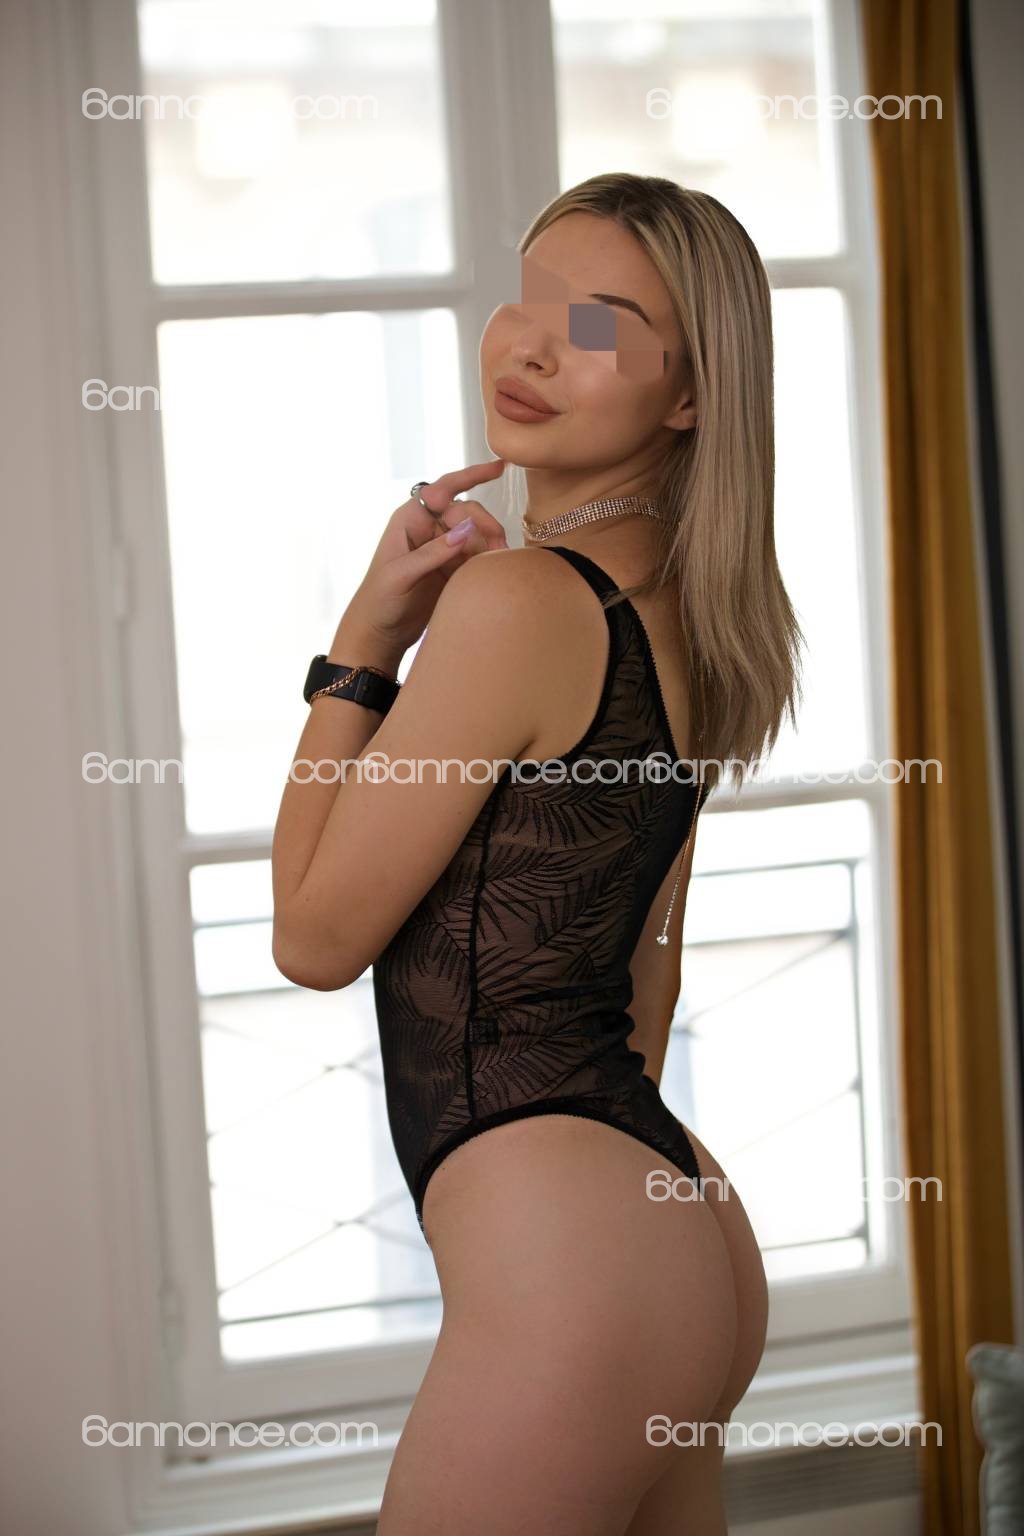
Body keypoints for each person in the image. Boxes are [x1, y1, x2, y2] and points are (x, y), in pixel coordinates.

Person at [271, 172, 802, 1535]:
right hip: (675, 1225)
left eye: (604, 322)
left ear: (691, 395)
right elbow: (650, 973)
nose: (534, 344)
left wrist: (364, 645)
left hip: (579, 1262)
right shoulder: (689, 610)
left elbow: (314, 940)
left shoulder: (518, 600)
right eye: (531, 299)